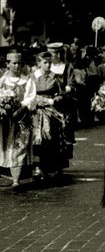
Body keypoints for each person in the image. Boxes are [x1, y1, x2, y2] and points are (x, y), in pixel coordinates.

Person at [24, 50, 69, 181]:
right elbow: (28, 95)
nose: (48, 66)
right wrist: (38, 101)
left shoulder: (55, 77)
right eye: (45, 63)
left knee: (52, 139)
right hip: (36, 112)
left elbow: (61, 94)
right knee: (37, 139)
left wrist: (56, 100)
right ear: (39, 63)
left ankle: (52, 167)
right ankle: (38, 167)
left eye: (49, 63)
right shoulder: (32, 77)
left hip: (51, 112)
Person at [0, 48, 31, 187]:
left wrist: (21, 108)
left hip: (20, 119)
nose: (17, 66)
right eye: (14, 63)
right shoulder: (2, 81)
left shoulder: (26, 81)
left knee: (19, 147)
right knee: (4, 146)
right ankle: (4, 174)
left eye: (19, 63)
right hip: (5, 120)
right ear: (8, 64)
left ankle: (16, 178)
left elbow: (30, 97)